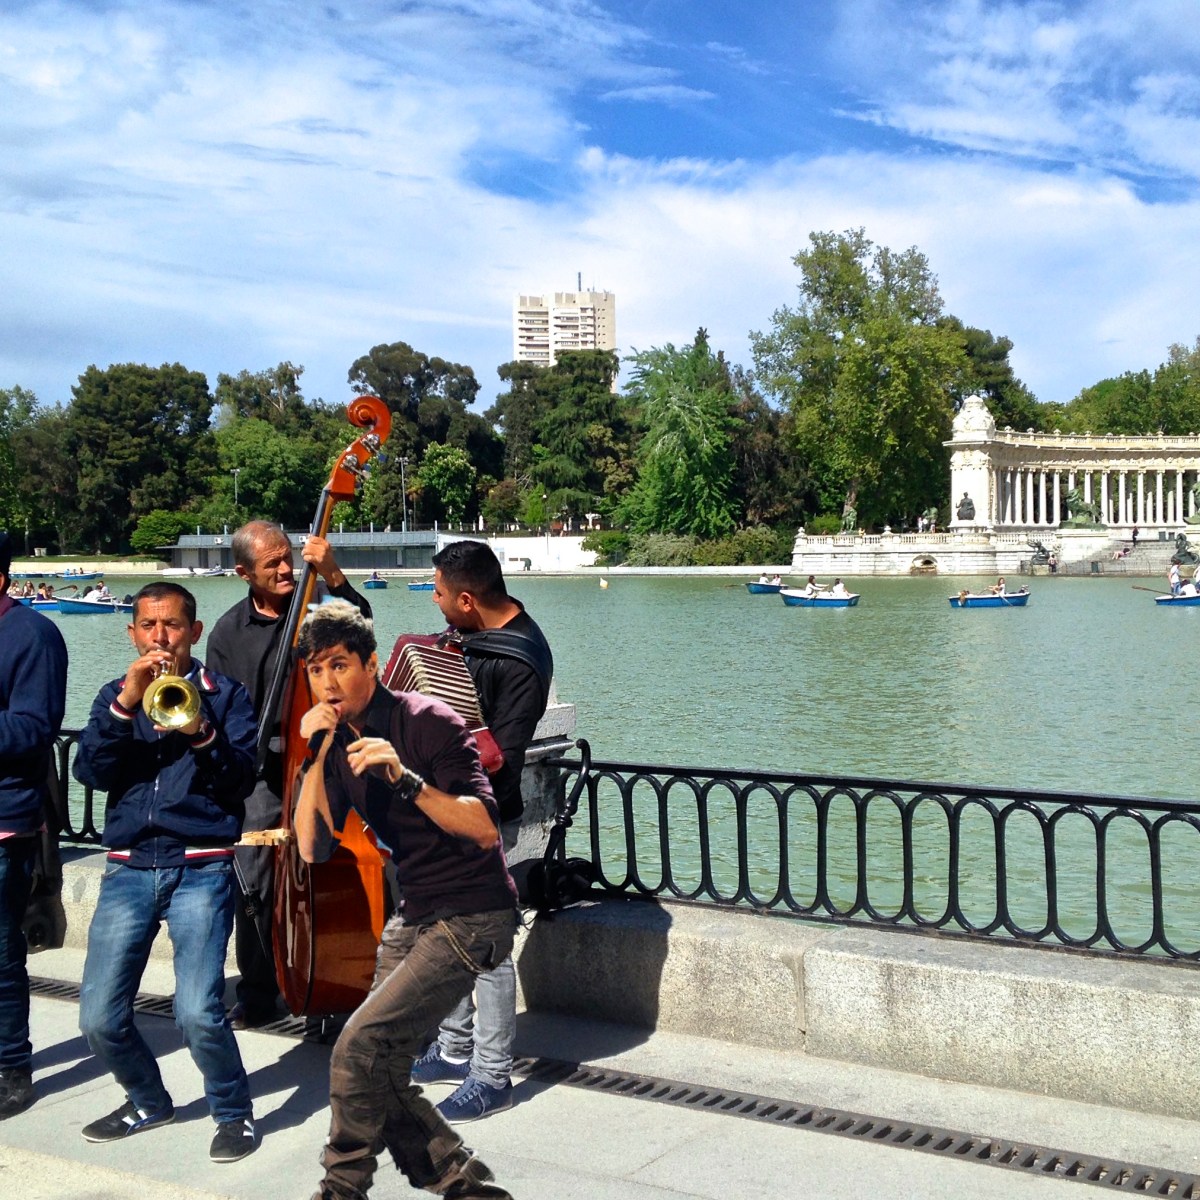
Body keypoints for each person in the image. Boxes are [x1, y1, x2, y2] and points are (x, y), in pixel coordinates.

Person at [293, 600, 517, 1200]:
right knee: (380, 1065)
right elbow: (312, 849)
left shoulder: (428, 720)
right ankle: (459, 1182)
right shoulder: (334, 747)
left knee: (357, 1047)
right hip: (416, 911)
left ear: (370, 664)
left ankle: (341, 1189)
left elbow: (484, 829)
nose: (328, 683)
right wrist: (314, 761)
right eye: (315, 671)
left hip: (475, 911)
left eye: (339, 665)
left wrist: (405, 780)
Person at [72, 582, 258, 1161]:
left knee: (197, 1010)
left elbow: (238, 781)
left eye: (172, 626)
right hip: (129, 868)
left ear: (194, 633)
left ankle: (233, 1114)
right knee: (99, 1017)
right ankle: (148, 1100)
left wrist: (202, 733)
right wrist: (124, 705)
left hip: (201, 865)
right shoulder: (115, 696)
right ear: (132, 633)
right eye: (149, 627)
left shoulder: (225, 696)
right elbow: (91, 773)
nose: (160, 638)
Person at [206, 520, 372, 1030]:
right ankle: (257, 990)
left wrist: (333, 574)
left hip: (317, 758)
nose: (286, 569)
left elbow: (363, 624)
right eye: (272, 564)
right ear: (243, 573)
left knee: (324, 869)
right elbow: (220, 704)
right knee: (252, 879)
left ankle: (331, 990)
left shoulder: (319, 606)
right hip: (260, 765)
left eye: (287, 557)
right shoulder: (228, 631)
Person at [413, 540, 553, 1123]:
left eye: (441, 595)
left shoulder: (520, 658)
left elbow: (506, 754)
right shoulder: (474, 639)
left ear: (468, 599)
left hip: (486, 813)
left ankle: (493, 1076)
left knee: (488, 947)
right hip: (449, 806)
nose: (437, 604)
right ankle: (453, 1047)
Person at [0, 531, 68, 1120]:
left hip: (5, 819)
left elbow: (34, 729)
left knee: (0, 953)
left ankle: (11, 1065)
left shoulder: (33, 635)